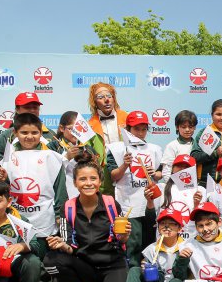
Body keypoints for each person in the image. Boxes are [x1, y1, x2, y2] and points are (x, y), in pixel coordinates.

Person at [43, 159, 130, 282]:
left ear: (100, 181)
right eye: (82, 179)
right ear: (75, 183)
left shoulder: (111, 204)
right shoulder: (68, 207)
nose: (88, 183)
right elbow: (69, 244)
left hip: (112, 264)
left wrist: (124, 236)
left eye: (93, 178)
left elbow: (121, 240)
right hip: (85, 267)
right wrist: (62, 245)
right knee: (50, 260)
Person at [1, 113, 67, 282]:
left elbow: (60, 188)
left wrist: (58, 213)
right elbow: (3, 187)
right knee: (22, 253)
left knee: (43, 253)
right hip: (17, 214)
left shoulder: (51, 157)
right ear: (15, 133)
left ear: (41, 133)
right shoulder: (8, 157)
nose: (29, 137)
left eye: (34, 132)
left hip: (43, 214)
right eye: (24, 133)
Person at [100, 207, 185, 282]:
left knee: (176, 281)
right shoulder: (152, 248)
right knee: (135, 270)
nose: (167, 227)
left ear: (180, 228)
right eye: (163, 224)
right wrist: (145, 266)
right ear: (158, 228)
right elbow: (145, 264)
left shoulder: (187, 247)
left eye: (172, 224)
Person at [106, 110, 163, 262]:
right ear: (128, 129)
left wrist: (155, 174)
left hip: (150, 205)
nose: (140, 132)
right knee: (133, 248)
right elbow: (113, 176)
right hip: (129, 205)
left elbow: (161, 174)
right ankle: (131, 277)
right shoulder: (116, 148)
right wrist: (125, 164)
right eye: (136, 129)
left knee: (150, 246)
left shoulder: (155, 149)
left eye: (144, 129)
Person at [0, 92, 57, 165]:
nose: (32, 110)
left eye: (35, 107)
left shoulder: (50, 134)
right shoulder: (8, 135)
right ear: (17, 109)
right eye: (27, 107)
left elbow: (57, 161)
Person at [86, 83, 128, 195]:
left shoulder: (127, 118)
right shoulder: (89, 126)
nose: (106, 100)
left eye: (109, 96)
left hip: (127, 167)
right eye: (100, 97)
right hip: (103, 173)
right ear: (94, 102)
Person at [153, 154, 205, 241]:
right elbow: (152, 215)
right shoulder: (162, 188)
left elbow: (202, 219)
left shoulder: (200, 190)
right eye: (179, 166)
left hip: (191, 241)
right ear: (173, 169)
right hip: (165, 241)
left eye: (187, 167)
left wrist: (197, 204)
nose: (182, 169)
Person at [48, 111, 99, 198]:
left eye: (78, 129)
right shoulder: (53, 146)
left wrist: (94, 163)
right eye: (72, 129)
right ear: (61, 128)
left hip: (85, 195)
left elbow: (97, 174)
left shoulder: (88, 149)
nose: (76, 133)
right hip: (61, 194)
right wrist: (67, 157)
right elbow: (49, 171)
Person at [160, 110, 197, 182]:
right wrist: (172, 187)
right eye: (183, 127)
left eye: (190, 127)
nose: (187, 130)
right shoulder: (172, 146)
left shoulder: (198, 145)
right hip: (177, 187)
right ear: (177, 127)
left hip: (195, 186)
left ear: (195, 127)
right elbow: (166, 171)